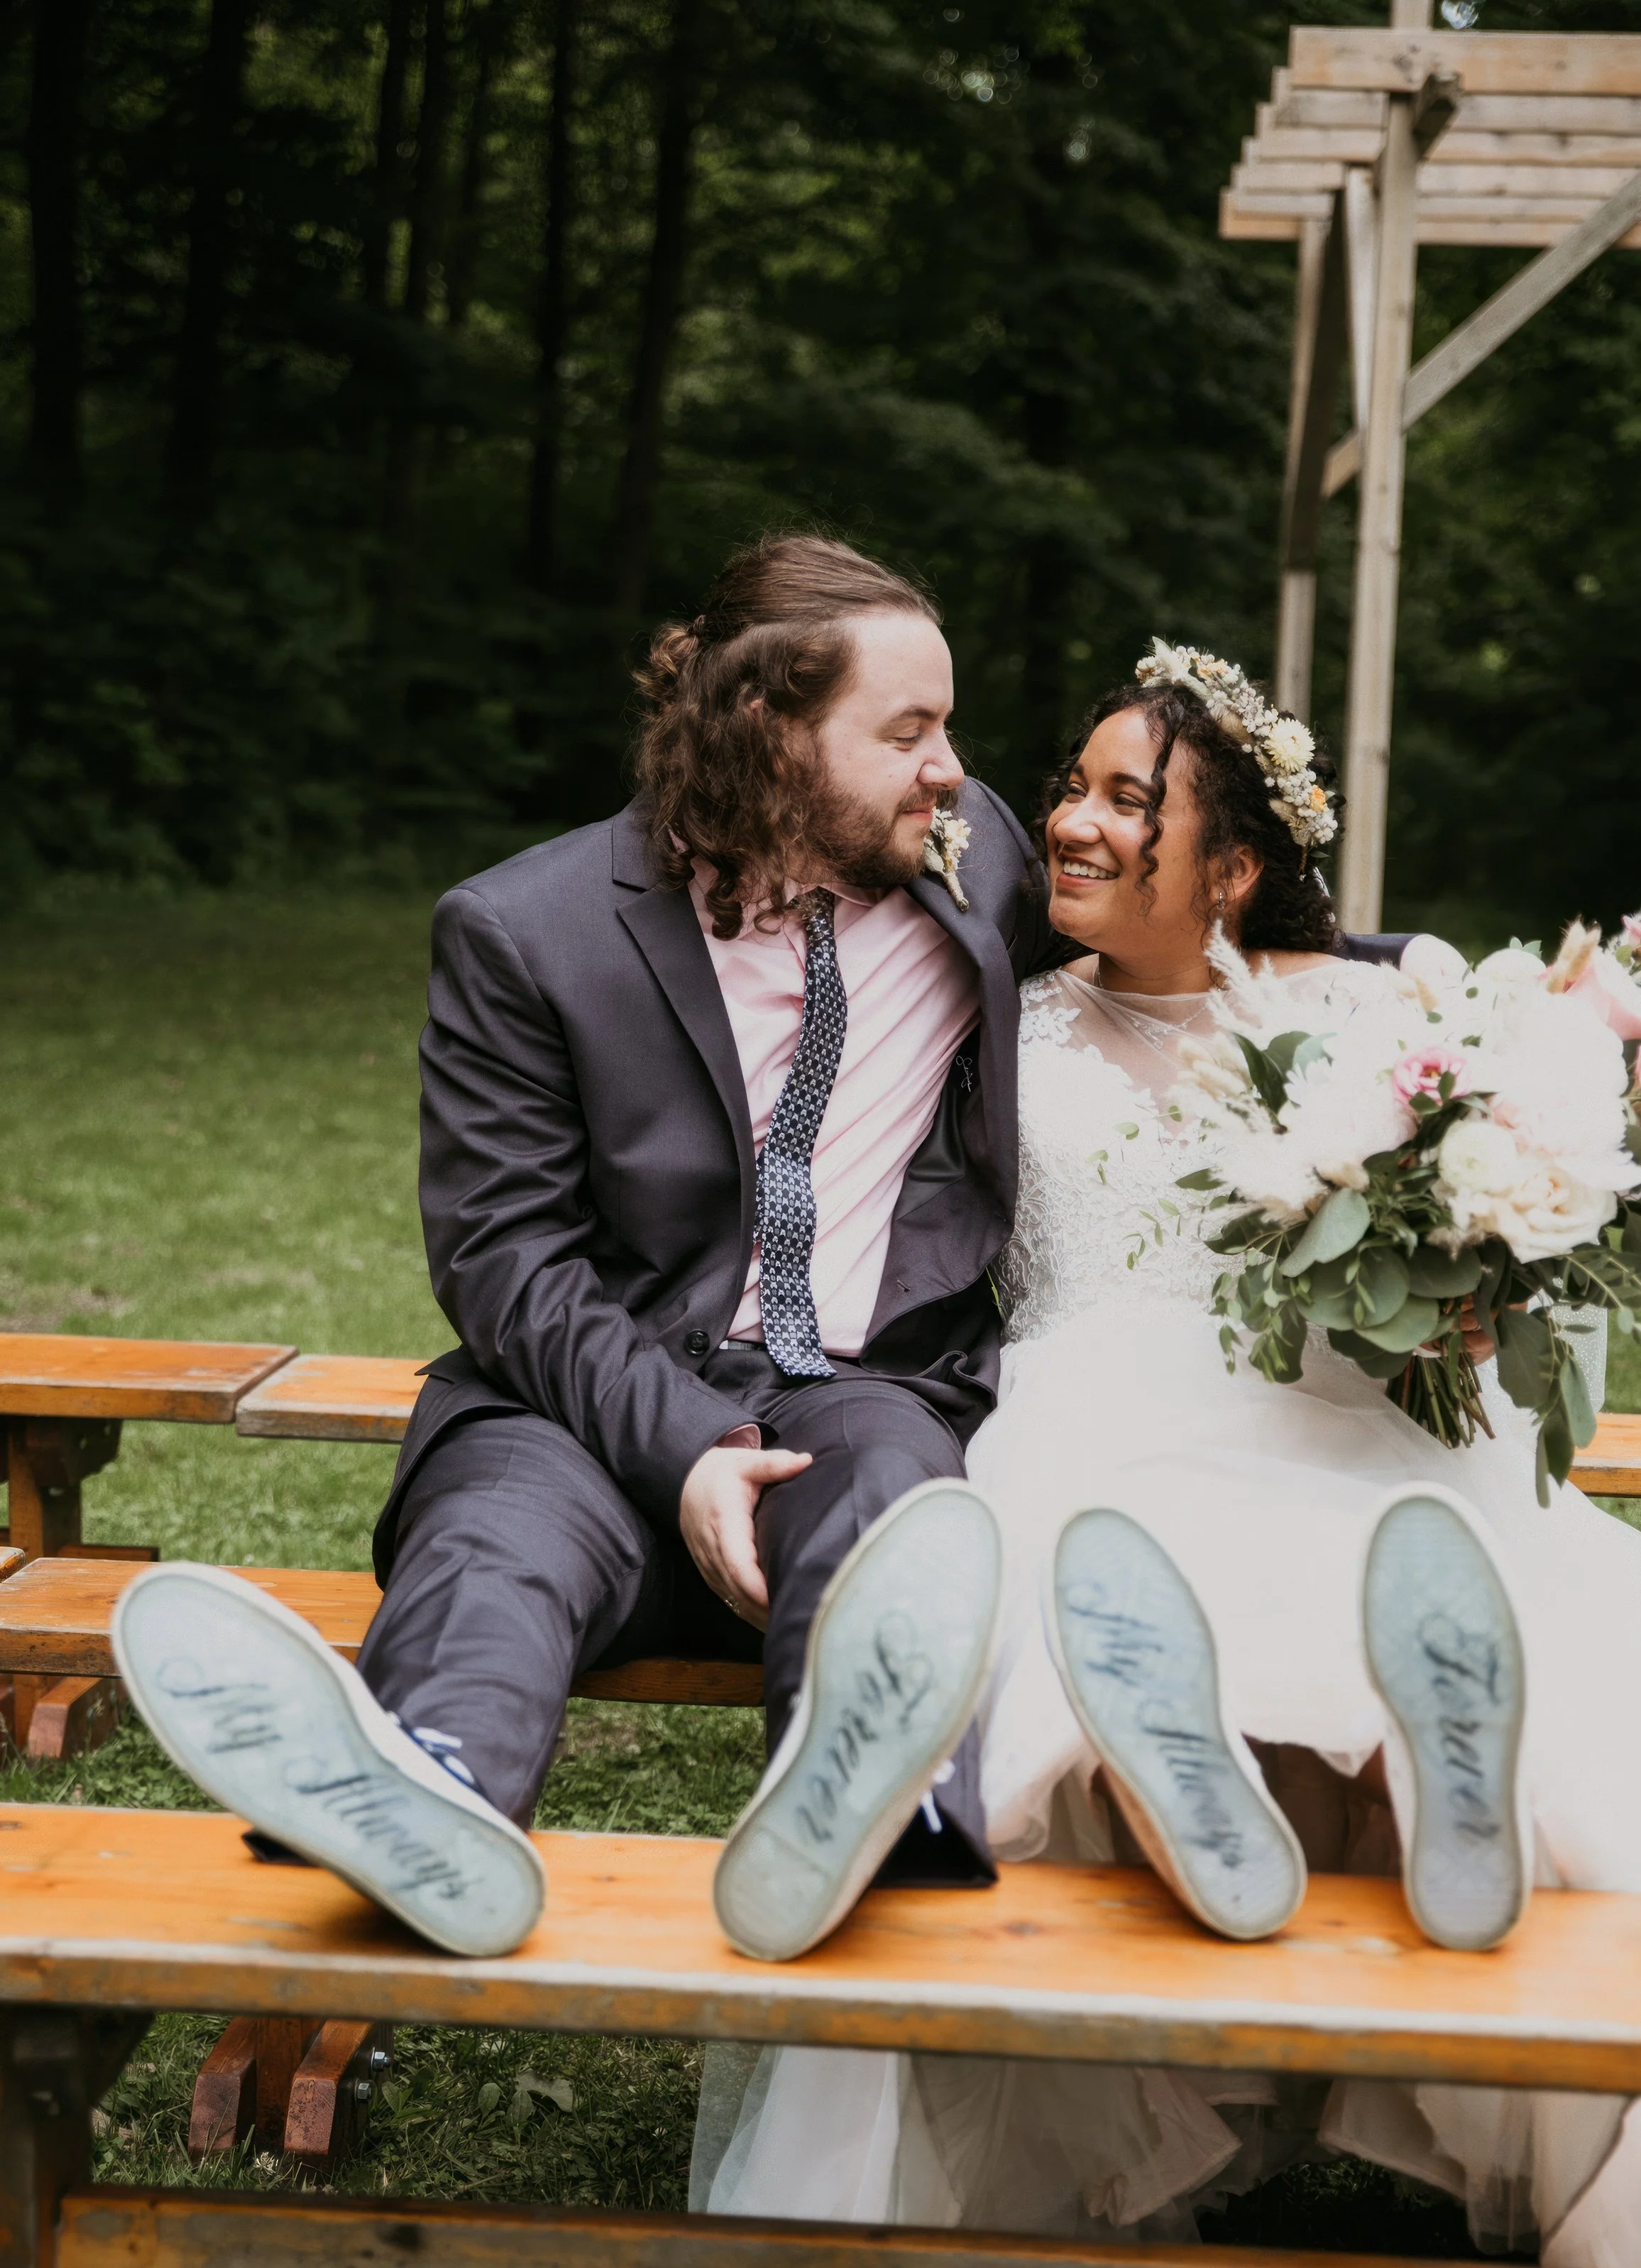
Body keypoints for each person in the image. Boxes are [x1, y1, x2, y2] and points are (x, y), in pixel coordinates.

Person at [671, 645, 1641, 2268]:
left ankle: (1426, 1769)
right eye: (1075, 786)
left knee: (1524, 1617)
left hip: (1360, 1426)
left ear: (1235, 860)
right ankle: (1227, 1771)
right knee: (1085, 1562)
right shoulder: (996, 1020)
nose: (1073, 824)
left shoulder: (1391, 1009)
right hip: (1099, 1418)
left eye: (1124, 797)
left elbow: (1509, 1275)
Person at [112, 534, 1063, 1963]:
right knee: (496, 1545)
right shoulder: (527, 930)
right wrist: (682, 1447)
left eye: (948, 729)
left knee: (893, 1519)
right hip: (582, 1390)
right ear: (769, 732)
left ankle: (870, 1806)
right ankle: (425, 1790)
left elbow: (1199, 935)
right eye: (908, 729)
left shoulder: (969, 859)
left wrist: (1414, 1006)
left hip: (861, 1384)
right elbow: (504, 1260)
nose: (950, 768)